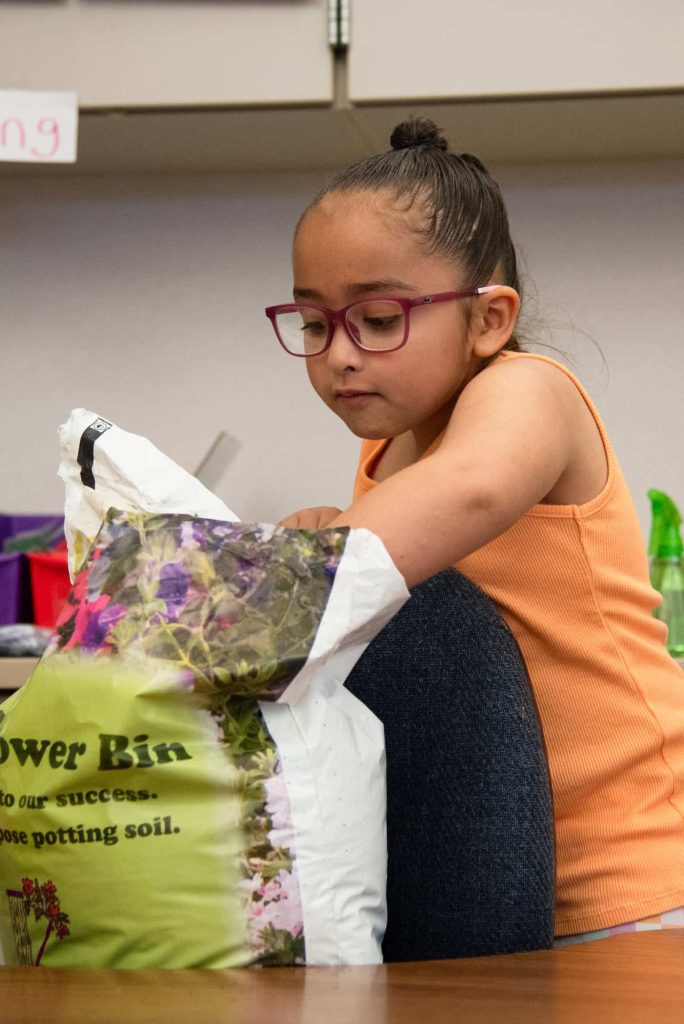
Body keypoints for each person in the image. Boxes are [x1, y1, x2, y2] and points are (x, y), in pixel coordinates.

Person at [264, 116, 684, 945]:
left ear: (490, 319)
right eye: (315, 325)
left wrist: (260, 584)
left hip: (635, 886)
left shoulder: (529, 390)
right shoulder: (388, 453)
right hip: (496, 882)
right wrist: (315, 532)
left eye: (378, 319)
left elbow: (468, 490)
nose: (339, 355)